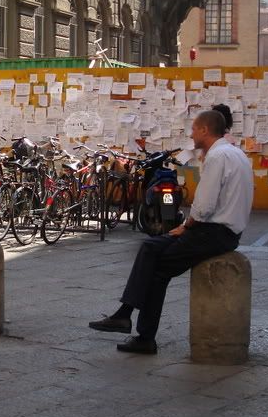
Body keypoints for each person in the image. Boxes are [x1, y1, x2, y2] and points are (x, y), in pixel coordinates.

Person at [88, 110, 253, 354]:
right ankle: (125, 317)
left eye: (195, 129)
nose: (191, 134)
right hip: (222, 231)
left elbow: (204, 206)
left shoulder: (217, 157)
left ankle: (140, 332)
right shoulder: (235, 153)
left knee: (156, 268)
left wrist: (185, 226)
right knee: (149, 248)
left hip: (214, 233)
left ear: (205, 130)